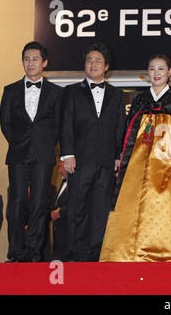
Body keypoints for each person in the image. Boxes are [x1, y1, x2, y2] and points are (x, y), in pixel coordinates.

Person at [99, 54, 171, 262]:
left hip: (169, 161)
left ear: (169, 73)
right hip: (139, 163)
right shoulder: (140, 100)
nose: (156, 73)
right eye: (151, 69)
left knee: (167, 203)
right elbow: (128, 131)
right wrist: (122, 157)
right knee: (137, 203)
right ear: (146, 73)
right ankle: (134, 250)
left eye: (160, 69)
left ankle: (170, 248)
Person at [60, 43, 126, 262]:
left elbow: (120, 127)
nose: (93, 64)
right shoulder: (71, 91)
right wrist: (67, 154)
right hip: (78, 161)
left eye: (98, 61)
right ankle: (76, 256)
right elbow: (66, 123)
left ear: (106, 67)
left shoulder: (117, 95)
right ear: (84, 65)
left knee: (100, 212)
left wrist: (118, 156)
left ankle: (96, 257)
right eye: (89, 60)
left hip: (106, 162)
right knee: (76, 210)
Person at [0, 41, 63, 262]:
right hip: (18, 154)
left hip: (44, 155)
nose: (30, 63)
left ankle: (34, 253)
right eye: (26, 59)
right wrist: (20, 143)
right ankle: (16, 252)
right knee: (17, 202)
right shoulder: (10, 90)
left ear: (44, 62)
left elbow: (58, 126)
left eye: (35, 59)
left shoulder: (57, 93)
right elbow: (5, 123)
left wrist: (43, 144)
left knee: (38, 204)